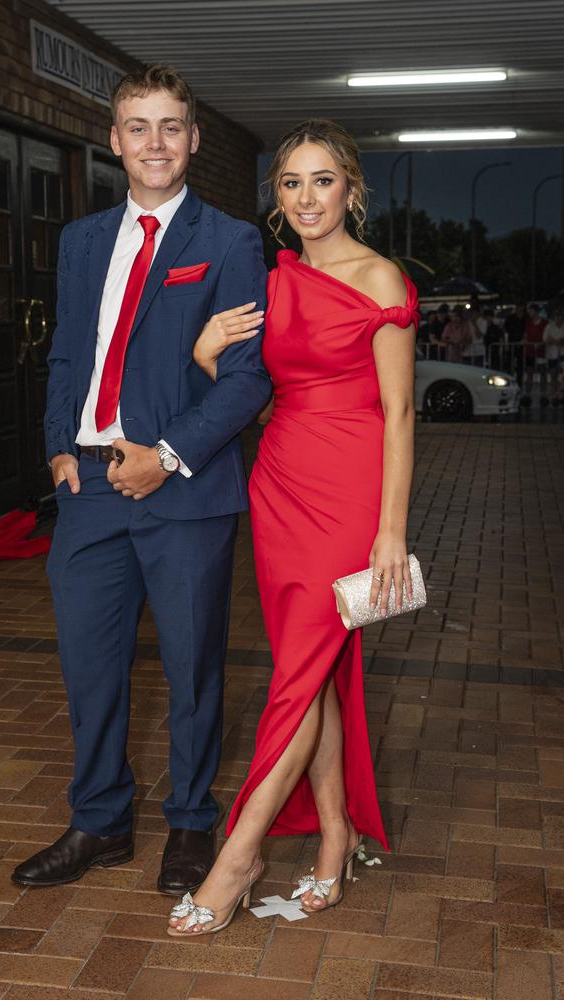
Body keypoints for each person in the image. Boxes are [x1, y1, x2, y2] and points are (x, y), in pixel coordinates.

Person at [11, 65, 271, 892]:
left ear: (192, 140)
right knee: (90, 667)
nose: (153, 143)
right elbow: (67, 354)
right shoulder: (81, 241)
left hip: (186, 490)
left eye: (169, 127)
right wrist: (59, 445)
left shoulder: (230, 242)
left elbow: (247, 378)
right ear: (115, 139)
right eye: (137, 127)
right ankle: (99, 822)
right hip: (88, 490)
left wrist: (168, 456)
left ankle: (191, 825)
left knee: (192, 670)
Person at [167, 119, 418, 936]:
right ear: (275, 199)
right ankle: (336, 834)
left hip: (351, 490)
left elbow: (401, 413)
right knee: (310, 667)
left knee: (301, 669)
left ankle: (239, 855)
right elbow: (251, 393)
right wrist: (207, 354)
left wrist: (390, 530)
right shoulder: (270, 282)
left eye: (322, 181)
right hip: (280, 480)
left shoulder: (380, 279)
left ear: (352, 189)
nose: (307, 198)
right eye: (290, 183)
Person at [524, 302, 547, 404]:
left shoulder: (544, 323)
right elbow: (525, 335)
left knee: (542, 372)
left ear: (536, 311)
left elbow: (546, 337)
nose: (529, 312)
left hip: (541, 352)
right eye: (529, 310)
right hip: (530, 352)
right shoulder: (528, 323)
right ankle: (527, 394)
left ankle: (543, 394)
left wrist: (541, 344)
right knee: (529, 373)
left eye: (531, 310)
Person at [543, 310, 564, 404]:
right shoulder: (549, 327)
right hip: (552, 355)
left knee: (562, 375)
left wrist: (558, 341)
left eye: (560, 316)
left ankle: (561, 394)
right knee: (553, 375)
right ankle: (555, 394)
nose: (558, 318)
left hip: (563, 354)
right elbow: (545, 339)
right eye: (556, 316)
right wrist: (557, 341)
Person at [504, 303, 527, 385]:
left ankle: (519, 383)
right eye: (517, 307)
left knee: (520, 365)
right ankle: (509, 382)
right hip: (511, 344)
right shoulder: (510, 318)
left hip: (522, 345)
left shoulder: (526, 318)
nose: (519, 309)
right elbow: (506, 329)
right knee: (509, 365)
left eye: (520, 307)